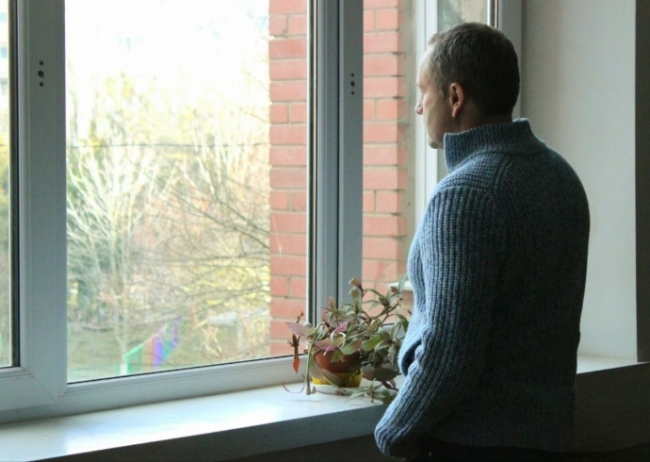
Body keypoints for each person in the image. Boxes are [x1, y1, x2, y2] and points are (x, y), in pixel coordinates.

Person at [374, 22, 590, 461]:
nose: (418, 107)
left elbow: (450, 352)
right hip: (549, 440)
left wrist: (392, 431)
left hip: (471, 443)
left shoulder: (464, 195)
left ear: (455, 97)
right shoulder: (560, 175)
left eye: (423, 91)